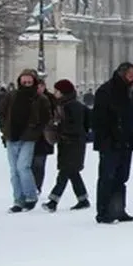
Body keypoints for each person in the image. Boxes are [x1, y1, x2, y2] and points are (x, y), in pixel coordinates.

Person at [93, 63, 133, 224]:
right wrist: (109, 137)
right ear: (122, 74)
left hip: (125, 141)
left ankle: (118, 209)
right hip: (111, 142)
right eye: (131, 75)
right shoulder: (106, 91)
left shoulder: (128, 91)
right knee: (107, 177)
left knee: (121, 178)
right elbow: (99, 119)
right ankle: (104, 212)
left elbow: (130, 117)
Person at [0, 69, 52, 212]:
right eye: (24, 82)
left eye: (29, 82)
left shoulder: (40, 99)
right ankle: (18, 200)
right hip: (11, 136)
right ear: (20, 81)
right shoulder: (11, 96)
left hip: (28, 137)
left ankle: (30, 196)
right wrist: (4, 129)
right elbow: (2, 113)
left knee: (23, 167)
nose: (27, 84)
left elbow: (46, 118)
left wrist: (35, 131)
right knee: (14, 171)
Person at [43, 79, 91, 212]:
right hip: (69, 143)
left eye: (57, 91)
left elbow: (76, 125)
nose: (54, 93)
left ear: (63, 92)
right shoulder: (65, 105)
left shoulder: (72, 106)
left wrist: (59, 129)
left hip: (72, 143)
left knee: (65, 172)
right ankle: (83, 199)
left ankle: (53, 201)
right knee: (72, 172)